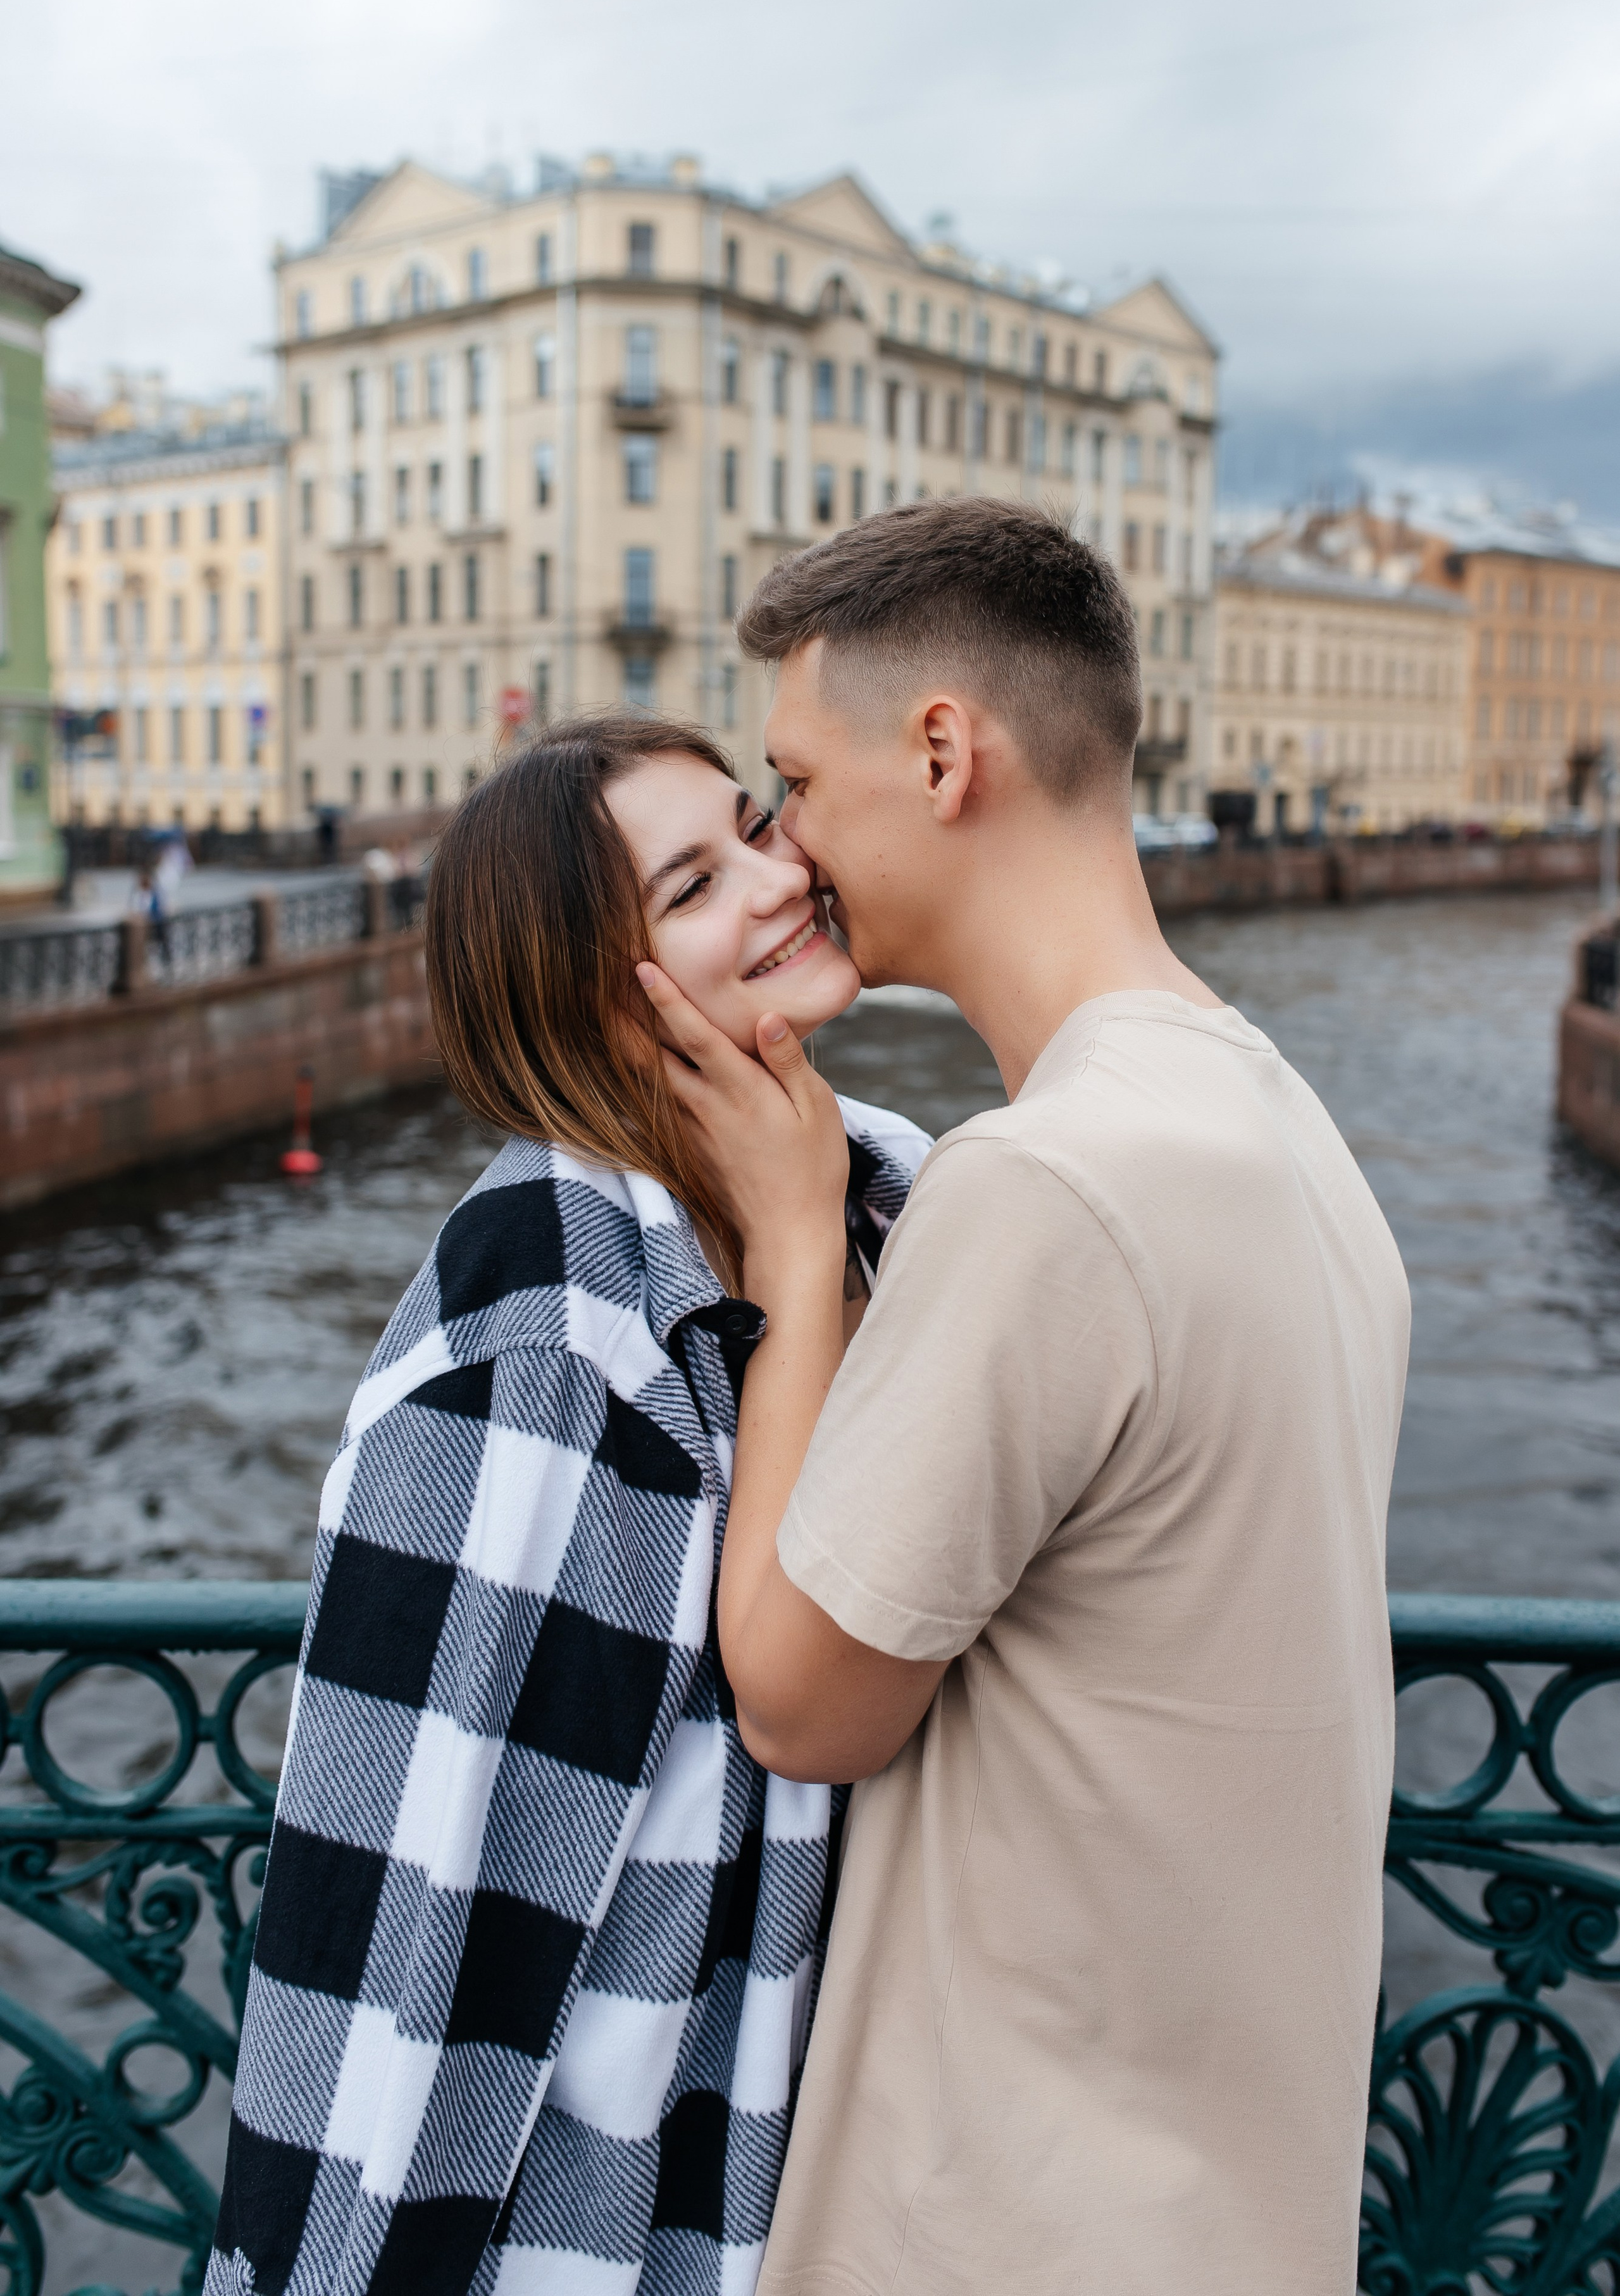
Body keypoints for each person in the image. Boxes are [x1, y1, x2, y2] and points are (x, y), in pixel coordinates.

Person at [638, 496, 1412, 2296]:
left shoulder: (1045, 1183)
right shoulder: (1279, 1128)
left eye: (795, 785)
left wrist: (798, 1243)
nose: (787, 850)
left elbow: (803, 1705)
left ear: (941, 752)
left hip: (1015, 2223)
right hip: (1237, 2211)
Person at [208, 714, 928, 2296]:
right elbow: (406, 1928)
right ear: (594, 993)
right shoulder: (542, 1340)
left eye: (752, 825)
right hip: (600, 2233)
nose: (778, 878)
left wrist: (806, 1244)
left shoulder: (889, 1209)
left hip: (820, 2173)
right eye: (693, 884)